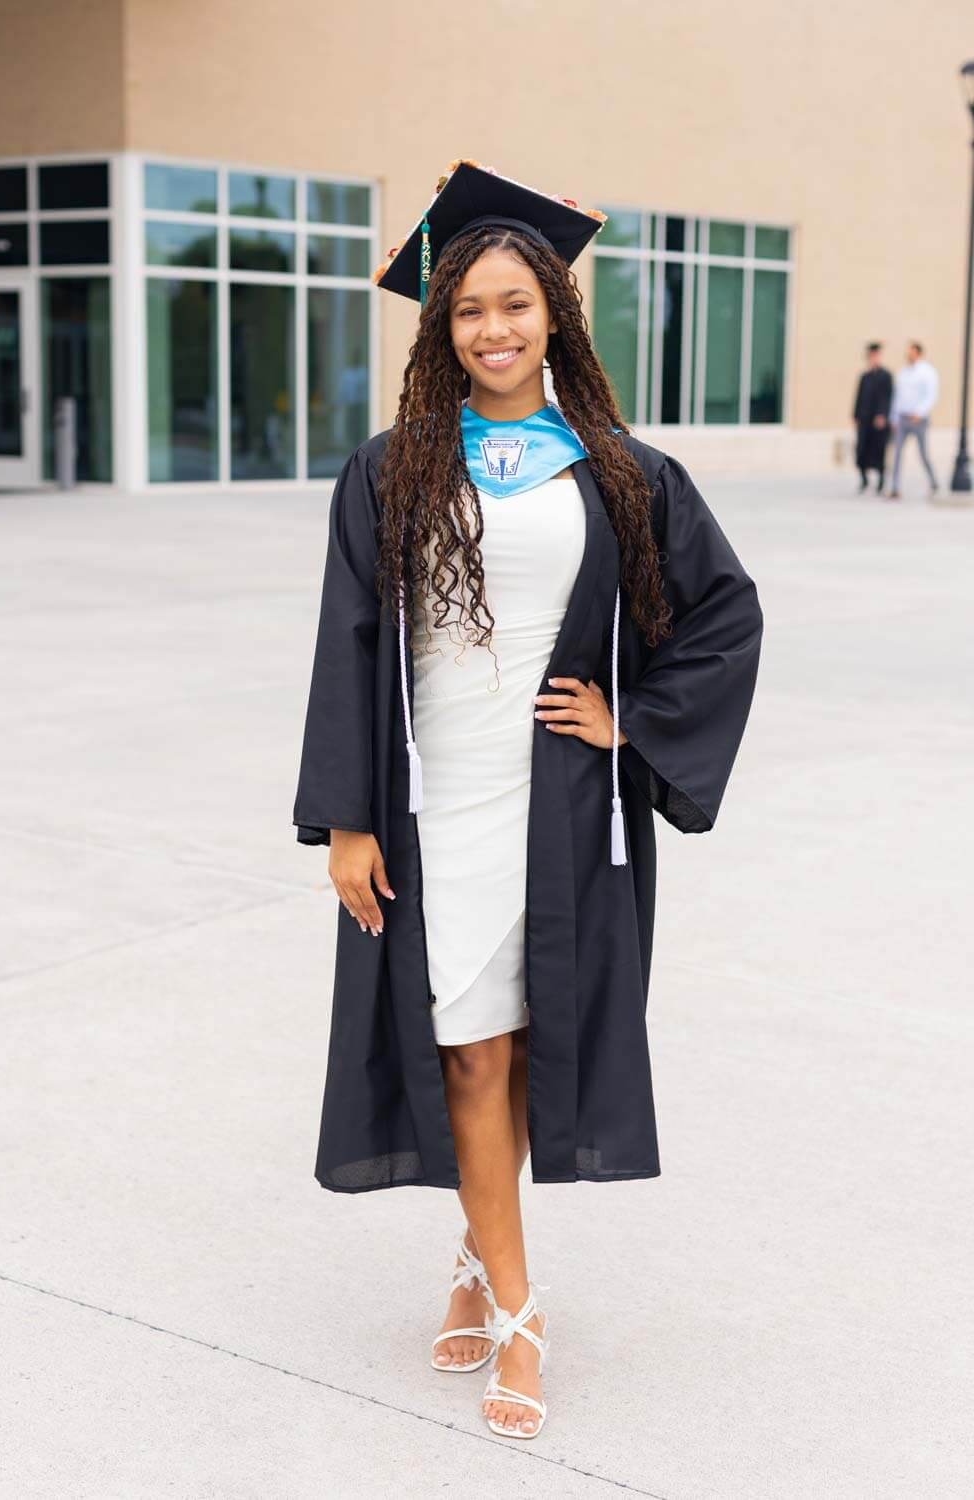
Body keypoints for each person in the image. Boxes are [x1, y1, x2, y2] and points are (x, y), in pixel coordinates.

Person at [291, 158, 763, 1440]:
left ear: (553, 312)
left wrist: (634, 721)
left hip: (551, 799)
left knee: (498, 1045)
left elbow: (723, 616)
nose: (492, 329)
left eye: (515, 303)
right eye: (466, 310)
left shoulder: (614, 469)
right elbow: (346, 641)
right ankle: (502, 1288)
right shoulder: (390, 469)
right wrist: (345, 817)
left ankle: (498, 1295)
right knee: (466, 1046)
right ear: (440, 330)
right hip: (430, 797)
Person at [888, 341, 940, 499]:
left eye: (911, 351)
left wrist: (920, 412)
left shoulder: (927, 372)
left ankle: (933, 482)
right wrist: (894, 417)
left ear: (918, 353)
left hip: (918, 419)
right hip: (902, 419)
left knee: (923, 454)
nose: (908, 354)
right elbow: (897, 397)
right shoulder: (903, 372)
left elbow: (931, 395)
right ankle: (895, 487)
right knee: (896, 453)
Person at [852, 341, 892, 493]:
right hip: (864, 419)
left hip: (879, 421)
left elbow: (887, 398)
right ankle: (864, 479)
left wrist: (882, 414)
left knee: (879, 450)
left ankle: (881, 480)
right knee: (861, 449)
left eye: (875, 355)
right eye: (871, 356)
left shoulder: (886, 376)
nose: (873, 358)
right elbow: (858, 397)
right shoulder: (865, 376)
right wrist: (855, 415)